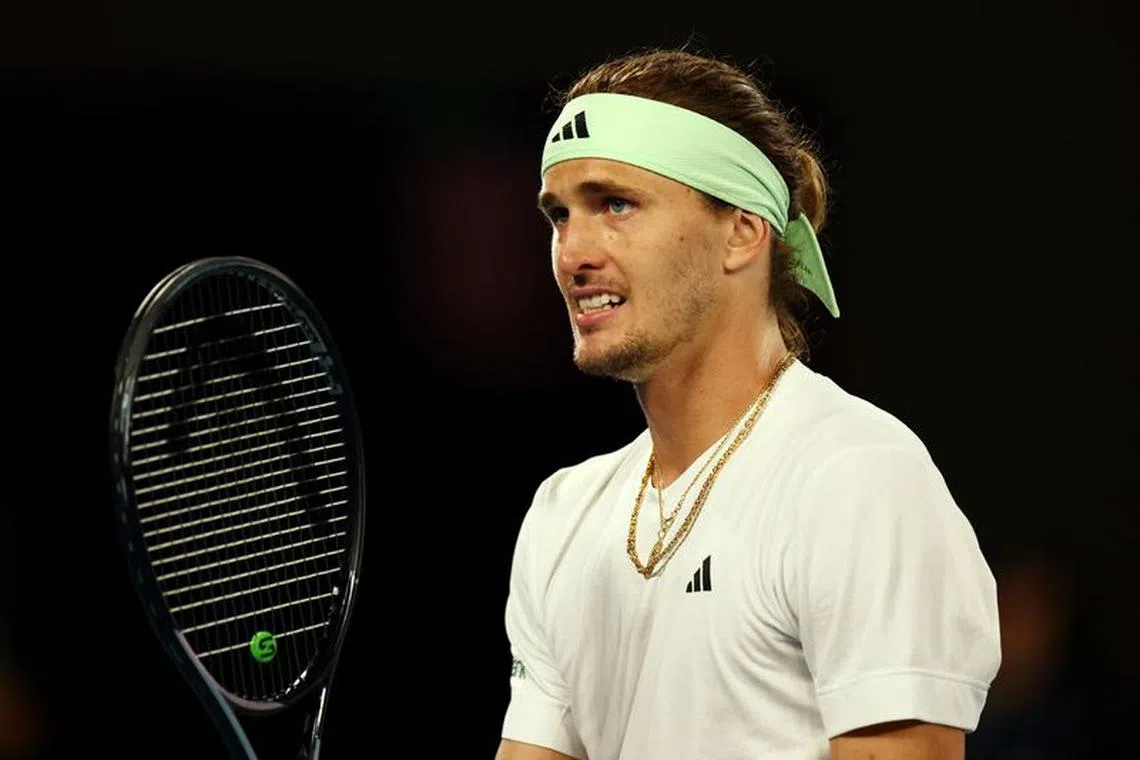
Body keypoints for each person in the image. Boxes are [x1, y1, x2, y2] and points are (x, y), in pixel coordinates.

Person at [495, 47, 1001, 760]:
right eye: (559, 215)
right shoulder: (563, 513)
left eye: (616, 205)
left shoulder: (858, 479)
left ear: (742, 231)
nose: (573, 252)